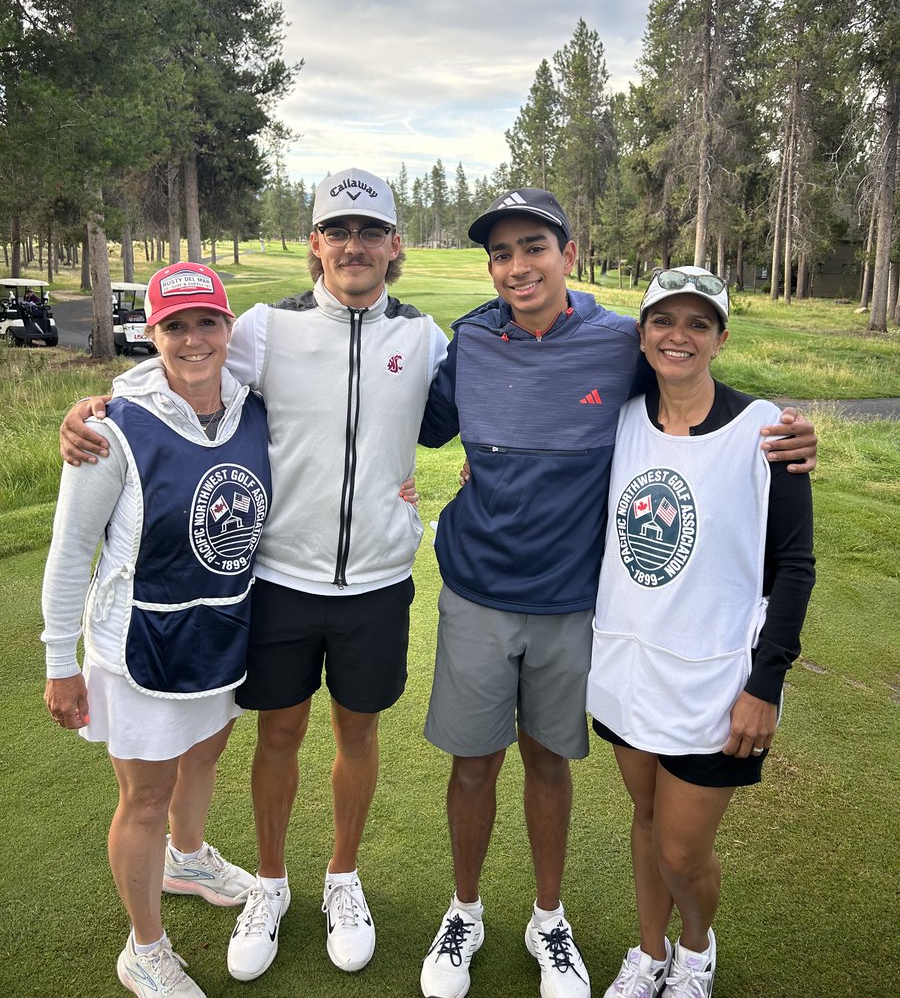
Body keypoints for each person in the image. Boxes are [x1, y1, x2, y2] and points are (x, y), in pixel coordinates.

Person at [417, 190, 817, 998]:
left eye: (535, 246)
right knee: (473, 765)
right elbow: (418, 421)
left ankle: (550, 917)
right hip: (481, 593)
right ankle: (466, 910)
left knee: (548, 764)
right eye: (501, 253)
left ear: (569, 252)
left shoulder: (615, 345)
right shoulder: (471, 340)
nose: (518, 266)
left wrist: (788, 430)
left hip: (574, 606)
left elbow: (694, 379)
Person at [60, 168, 449, 984]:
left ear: (393, 246)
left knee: (359, 730)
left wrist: (422, 499)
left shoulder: (423, 338)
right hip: (278, 579)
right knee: (277, 734)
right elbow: (183, 366)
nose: (353, 245)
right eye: (336, 230)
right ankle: (270, 883)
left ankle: (341, 879)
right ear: (316, 244)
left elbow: (487, 416)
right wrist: (97, 406)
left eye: (369, 231)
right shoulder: (269, 327)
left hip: (376, 581)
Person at [43, 262, 271, 998]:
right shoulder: (111, 427)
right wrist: (59, 661)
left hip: (221, 633)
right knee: (144, 796)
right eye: (175, 326)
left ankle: (189, 857)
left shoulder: (254, 407)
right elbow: (72, 550)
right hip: (137, 644)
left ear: (229, 328)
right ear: (152, 333)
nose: (194, 339)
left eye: (207, 322)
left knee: (203, 758)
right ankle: (143, 948)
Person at [586, 267, 814, 998]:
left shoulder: (767, 432)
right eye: (662, 321)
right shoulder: (617, 417)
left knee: (683, 853)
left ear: (720, 337)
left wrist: (766, 684)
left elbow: (794, 566)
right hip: (627, 665)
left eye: (696, 324)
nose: (677, 337)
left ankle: (695, 951)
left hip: (716, 680)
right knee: (647, 819)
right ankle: (648, 953)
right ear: (643, 332)